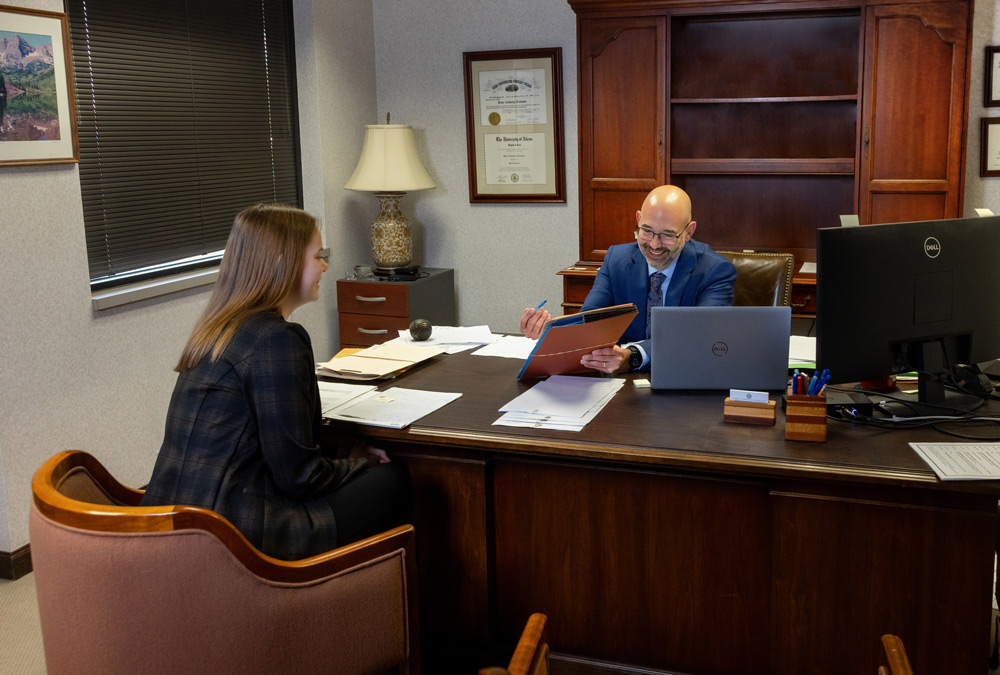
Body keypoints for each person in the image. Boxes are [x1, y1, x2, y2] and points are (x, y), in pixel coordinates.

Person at [141, 203, 409, 561]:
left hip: (176, 518)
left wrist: (341, 458)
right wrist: (356, 462)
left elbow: (270, 449)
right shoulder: (276, 340)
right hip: (236, 534)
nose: (325, 267)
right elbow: (301, 479)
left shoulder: (216, 330)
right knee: (393, 480)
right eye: (318, 256)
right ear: (284, 262)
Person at [520, 185, 736, 374]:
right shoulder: (616, 259)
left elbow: (699, 338)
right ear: (638, 220)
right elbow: (590, 320)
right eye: (647, 231)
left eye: (668, 235)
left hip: (682, 382)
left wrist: (632, 356)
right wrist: (549, 330)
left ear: (689, 232)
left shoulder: (715, 271)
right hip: (618, 388)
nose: (654, 245)